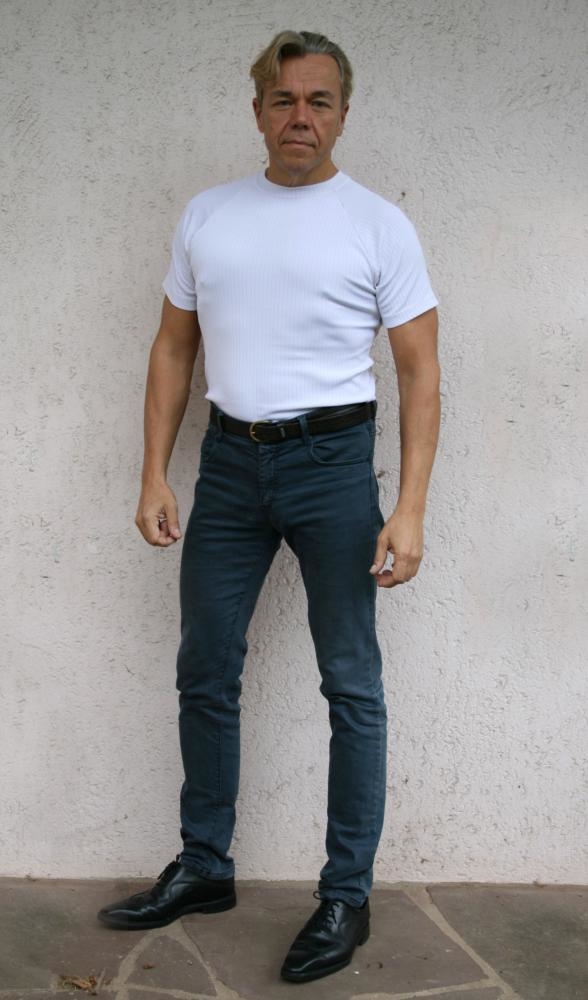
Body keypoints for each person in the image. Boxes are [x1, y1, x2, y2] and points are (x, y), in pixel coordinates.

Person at [98, 29, 440, 985]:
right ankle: (205, 865)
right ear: (257, 111)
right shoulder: (209, 215)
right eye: (283, 100)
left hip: (333, 467)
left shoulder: (378, 225)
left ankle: (346, 894)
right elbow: (174, 346)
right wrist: (154, 473)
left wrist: (410, 507)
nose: (301, 117)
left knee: (351, 682)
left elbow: (420, 370)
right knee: (205, 666)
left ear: (343, 114)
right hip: (230, 465)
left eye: (319, 101)